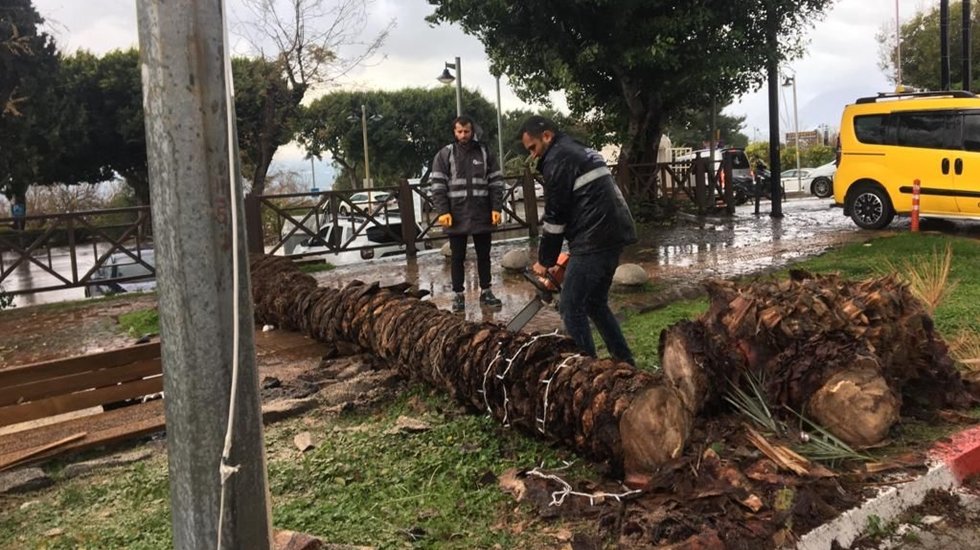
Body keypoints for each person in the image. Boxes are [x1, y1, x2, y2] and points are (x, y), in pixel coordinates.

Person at [520, 116, 637, 365]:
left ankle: (587, 368)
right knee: (595, 302)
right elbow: (580, 204)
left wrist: (545, 261)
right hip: (612, 234)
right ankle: (624, 360)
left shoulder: (558, 159)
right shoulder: (579, 150)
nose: (532, 156)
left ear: (547, 136)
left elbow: (555, 215)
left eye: (533, 148)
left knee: (570, 306)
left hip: (594, 238)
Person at [429, 115, 505, 313]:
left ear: (472, 131)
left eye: (467, 131)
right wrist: (443, 211)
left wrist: (496, 207)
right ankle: (458, 295)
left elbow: (496, 182)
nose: (463, 135)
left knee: (484, 256)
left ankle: (486, 291)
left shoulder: (485, 152)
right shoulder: (445, 154)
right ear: (454, 132)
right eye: (459, 131)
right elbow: (437, 185)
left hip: (482, 213)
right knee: (457, 257)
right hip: (456, 215)